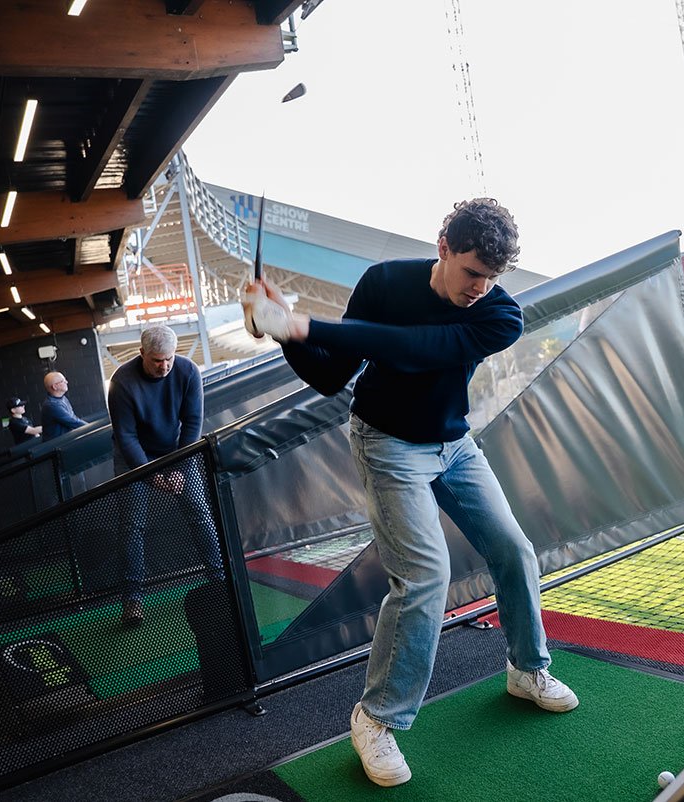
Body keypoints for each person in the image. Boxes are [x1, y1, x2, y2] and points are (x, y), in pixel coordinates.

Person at [242, 198, 577, 788]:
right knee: (424, 576)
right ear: (443, 246)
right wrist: (280, 328)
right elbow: (330, 375)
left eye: (493, 277)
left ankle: (527, 669)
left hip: (454, 445)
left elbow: (421, 349)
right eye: (473, 271)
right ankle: (376, 718)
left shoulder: (500, 315)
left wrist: (300, 325)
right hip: (387, 445)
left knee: (514, 551)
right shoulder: (384, 282)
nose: (482, 287)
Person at [107, 324, 223, 626]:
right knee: (132, 527)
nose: (165, 366)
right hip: (134, 457)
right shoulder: (122, 382)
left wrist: (179, 468)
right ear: (142, 353)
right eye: (157, 360)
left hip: (176, 451)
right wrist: (151, 474)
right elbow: (126, 436)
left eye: (169, 358)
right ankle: (132, 601)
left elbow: (193, 421)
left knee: (200, 514)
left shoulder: (187, 371)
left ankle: (220, 580)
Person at [40, 371, 88, 440]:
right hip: (57, 446)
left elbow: (73, 418)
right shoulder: (52, 405)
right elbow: (74, 422)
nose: (66, 382)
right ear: (55, 387)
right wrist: (93, 428)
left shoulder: (62, 398)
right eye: (62, 381)